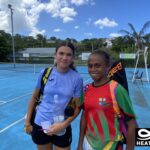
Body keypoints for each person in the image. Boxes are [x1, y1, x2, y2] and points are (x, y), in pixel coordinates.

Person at [24, 41, 83, 150]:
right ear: (55, 55)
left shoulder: (77, 78)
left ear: (73, 57)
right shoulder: (45, 73)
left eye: (68, 54)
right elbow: (34, 97)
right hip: (40, 124)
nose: (64, 57)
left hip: (62, 126)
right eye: (61, 53)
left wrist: (64, 124)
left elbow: (78, 106)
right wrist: (27, 122)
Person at [77, 50, 137, 150]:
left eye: (97, 65)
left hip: (111, 146)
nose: (93, 69)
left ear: (108, 67)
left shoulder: (117, 90)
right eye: (90, 66)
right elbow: (84, 116)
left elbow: (131, 124)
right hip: (89, 144)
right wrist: (80, 144)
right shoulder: (86, 89)